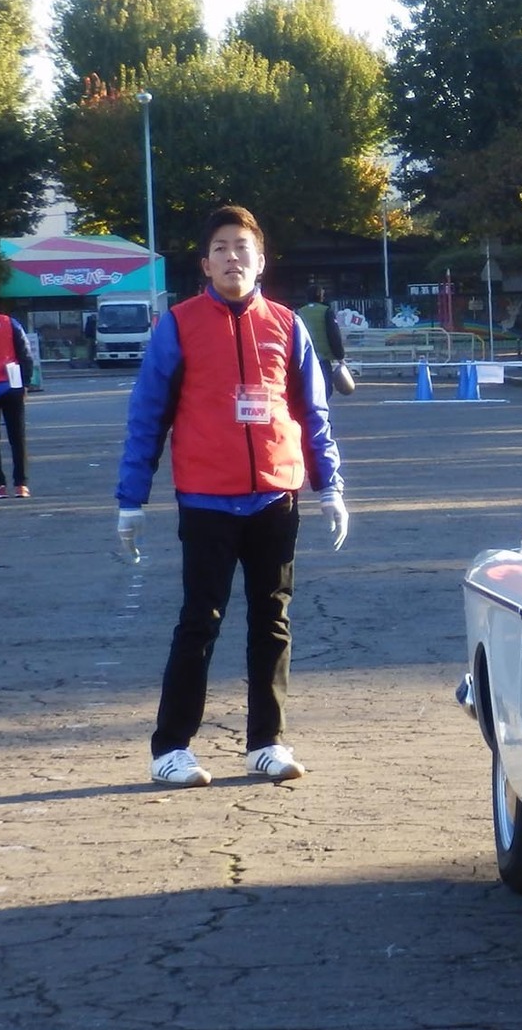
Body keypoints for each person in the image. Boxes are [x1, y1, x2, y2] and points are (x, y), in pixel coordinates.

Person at [115, 205, 348, 789]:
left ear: (260, 260)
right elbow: (148, 415)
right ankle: (171, 748)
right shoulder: (179, 325)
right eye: (220, 247)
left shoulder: (288, 326)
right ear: (205, 263)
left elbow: (313, 414)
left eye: (242, 247)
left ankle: (266, 743)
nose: (232, 257)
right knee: (200, 620)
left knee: (273, 620)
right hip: (207, 499)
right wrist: (131, 497)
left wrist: (331, 488)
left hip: (276, 496)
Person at [0, 295, 36, 499]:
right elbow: (26, 353)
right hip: (12, 385)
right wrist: (25, 382)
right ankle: (21, 485)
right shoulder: (10, 323)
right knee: (17, 437)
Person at [297, 286, 349, 397]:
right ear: (321, 296)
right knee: (325, 390)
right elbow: (334, 335)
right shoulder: (326, 311)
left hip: (304, 357)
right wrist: (340, 356)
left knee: (307, 390)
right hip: (323, 358)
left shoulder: (299, 312)